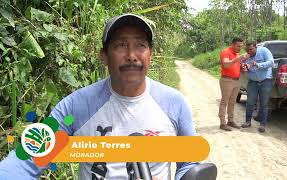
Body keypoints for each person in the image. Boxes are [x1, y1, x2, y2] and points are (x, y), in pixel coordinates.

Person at [0, 14, 198, 180]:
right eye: (120, 45)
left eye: (140, 45)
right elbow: (27, 160)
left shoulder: (174, 104)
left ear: (150, 54)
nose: (131, 55)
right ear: (103, 55)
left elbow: (188, 164)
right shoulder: (76, 107)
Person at [241, 42, 274, 133]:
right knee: (250, 102)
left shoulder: (264, 50)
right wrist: (244, 66)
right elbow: (243, 68)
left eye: (251, 49)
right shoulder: (246, 57)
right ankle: (248, 122)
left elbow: (271, 62)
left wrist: (258, 65)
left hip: (265, 81)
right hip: (253, 82)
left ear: (256, 47)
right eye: (247, 50)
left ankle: (262, 124)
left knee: (264, 104)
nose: (249, 51)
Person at [218, 37, 249, 131]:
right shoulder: (226, 52)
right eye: (238, 46)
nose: (239, 48)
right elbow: (226, 64)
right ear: (232, 44)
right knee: (224, 102)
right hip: (227, 80)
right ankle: (222, 123)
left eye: (241, 46)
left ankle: (230, 121)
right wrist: (238, 58)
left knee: (232, 102)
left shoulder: (236, 54)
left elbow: (236, 66)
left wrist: (242, 67)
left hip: (237, 80)